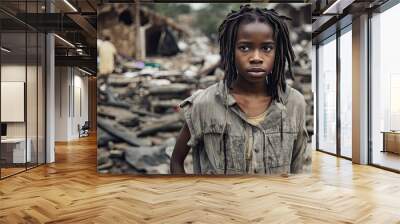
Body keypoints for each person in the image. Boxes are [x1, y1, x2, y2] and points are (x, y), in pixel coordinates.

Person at [170, 5, 311, 175]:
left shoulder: (294, 104)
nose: (256, 58)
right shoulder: (204, 104)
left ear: (278, 52)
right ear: (230, 51)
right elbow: (177, 161)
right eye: (245, 48)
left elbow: (298, 170)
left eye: (266, 48)